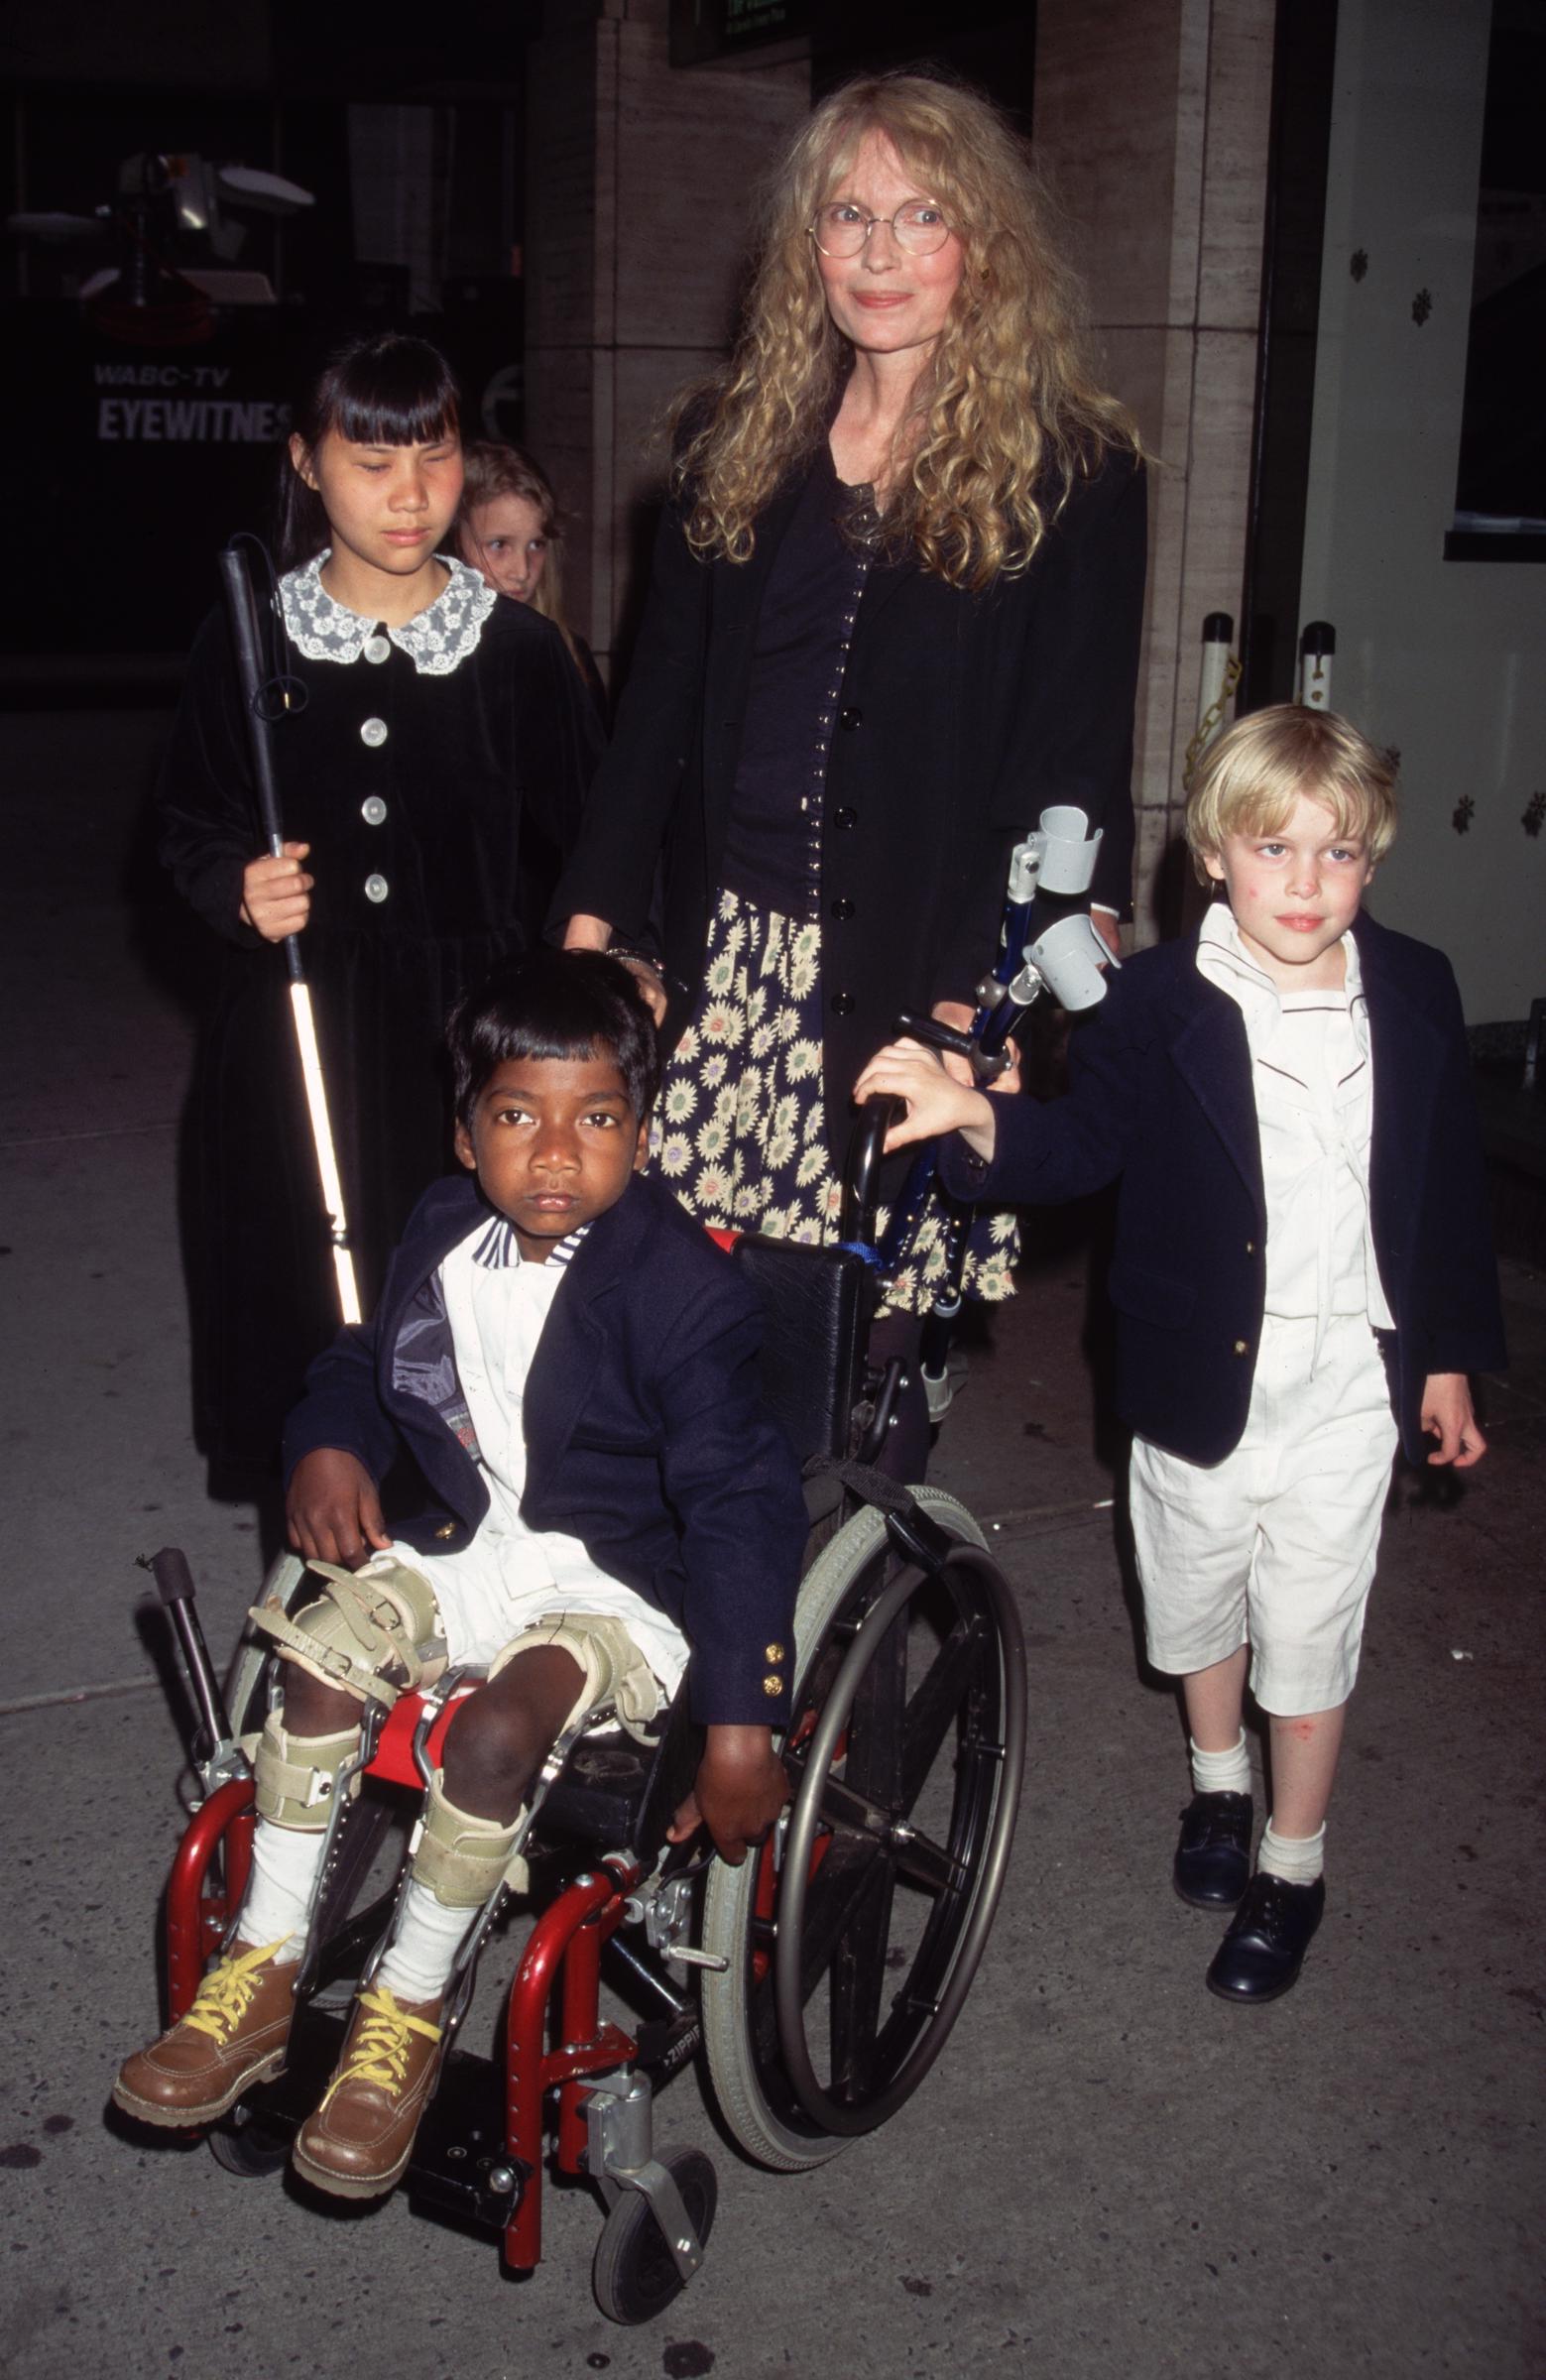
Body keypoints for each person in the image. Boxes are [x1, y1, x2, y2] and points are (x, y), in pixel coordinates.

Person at [114, 950, 804, 2197]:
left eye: (594, 1119)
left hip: (615, 1581)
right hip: (472, 1543)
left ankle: (409, 2012)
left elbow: (741, 1505)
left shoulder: (687, 1298)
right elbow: (368, 1361)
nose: (553, 1154)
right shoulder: (440, 1230)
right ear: (464, 1134)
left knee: (492, 1736)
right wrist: (330, 1440)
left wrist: (744, 1722)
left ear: (640, 1135)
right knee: (316, 1657)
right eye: (515, 1118)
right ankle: (263, 1966)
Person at [856, 706, 1506, 2003]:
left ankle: (1291, 1861)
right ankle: (1215, 1786)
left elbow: (1442, 1196)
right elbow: (1083, 1143)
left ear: (1371, 857)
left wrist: (1444, 1356)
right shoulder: (1153, 1002)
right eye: (1273, 850)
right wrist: (971, 1114)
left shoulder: (1417, 991)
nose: (1305, 884)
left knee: (1309, 1640)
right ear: (1213, 853)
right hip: (1189, 1371)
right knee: (1197, 1601)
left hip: (1344, 1384)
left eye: (1336, 853)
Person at [551, 69, 1147, 1466]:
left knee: (835, 1387)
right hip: (718, 965)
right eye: (845, 216)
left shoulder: (1071, 473)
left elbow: (1065, 767)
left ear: (981, 246)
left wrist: (968, 998)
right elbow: (655, 717)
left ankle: (828, 1672)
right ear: (803, 244)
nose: (876, 254)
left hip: (901, 974)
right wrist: (587, 928)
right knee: (664, 1355)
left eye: (918, 215)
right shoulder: (732, 442)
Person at [157, 333, 603, 1478]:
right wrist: (232, 886)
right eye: (370, 461)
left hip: (464, 1045)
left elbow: (599, 841)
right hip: (293, 1033)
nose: (409, 497)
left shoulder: (515, 654)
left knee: (465, 1324)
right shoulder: (249, 636)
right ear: (306, 462)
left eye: (436, 458)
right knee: (303, 1309)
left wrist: (595, 976)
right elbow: (185, 822)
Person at [456, 439, 607, 716]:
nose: (522, 571)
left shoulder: (569, 652)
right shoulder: (434, 655)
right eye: (499, 545)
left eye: (536, 545)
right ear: (455, 542)